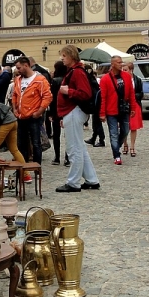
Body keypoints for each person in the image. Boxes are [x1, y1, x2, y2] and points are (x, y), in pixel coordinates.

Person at [55, 45, 100, 192]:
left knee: (74, 148)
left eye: (64, 56)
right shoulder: (75, 71)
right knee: (79, 147)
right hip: (72, 111)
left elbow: (85, 93)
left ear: (71, 56)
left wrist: (69, 91)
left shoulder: (77, 72)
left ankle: (73, 182)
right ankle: (92, 180)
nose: (62, 58)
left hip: (74, 111)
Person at [11, 56, 52, 183]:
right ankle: (23, 168)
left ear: (26, 65)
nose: (17, 70)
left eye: (19, 68)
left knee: (36, 143)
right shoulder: (18, 79)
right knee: (21, 144)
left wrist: (39, 111)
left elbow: (47, 96)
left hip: (34, 117)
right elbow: (15, 95)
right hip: (21, 117)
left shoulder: (40, 80)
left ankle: (37, 168)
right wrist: (15, 108)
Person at [99, 56, 137, 165]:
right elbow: (103, 97)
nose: (121, 64)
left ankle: (117, 145)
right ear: (112, 64)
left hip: (124, 109)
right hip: (111, 110)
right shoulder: (105, 79)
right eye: (118, 62)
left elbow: (131, 93)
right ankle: (116, 155)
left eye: (121, 62)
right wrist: (102, 113)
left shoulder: (126, 76)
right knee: (113, 133)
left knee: (125, 130)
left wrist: (133, 107)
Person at [49, 60, 70, 166]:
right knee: (68, 135)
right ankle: (67, 158)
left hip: (57, 110)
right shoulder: (68, 79)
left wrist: (51, 113)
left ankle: (57, 157)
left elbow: (52, 98)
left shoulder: (55, 80)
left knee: (56, 135)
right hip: (67, 110)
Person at [122, 61, 143, 157]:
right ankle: (125, 144)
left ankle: (132, 146)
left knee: (133, 127)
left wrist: (133, 96)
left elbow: (140, 93)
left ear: (131, 70)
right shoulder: (121, 80)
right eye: (123, 69)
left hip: (135, 104)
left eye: (125, 70)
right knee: (124, 126)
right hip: (124, 105)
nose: (123, 71)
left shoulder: (137, 80)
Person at [29, 56, 52, 137]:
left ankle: (42, 135)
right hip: (44, 99)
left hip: (39, 100)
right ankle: (48, 132)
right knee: (46, 117)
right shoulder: (44, 70)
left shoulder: (35, 72)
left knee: (41, 120)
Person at [83, 64, 106, 148]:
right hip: (96, 102)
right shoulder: (92, 79)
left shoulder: (90, 79)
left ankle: (101, 140)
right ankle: (94, 138)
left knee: (97, 122)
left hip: (96, 103)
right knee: (95, 122)